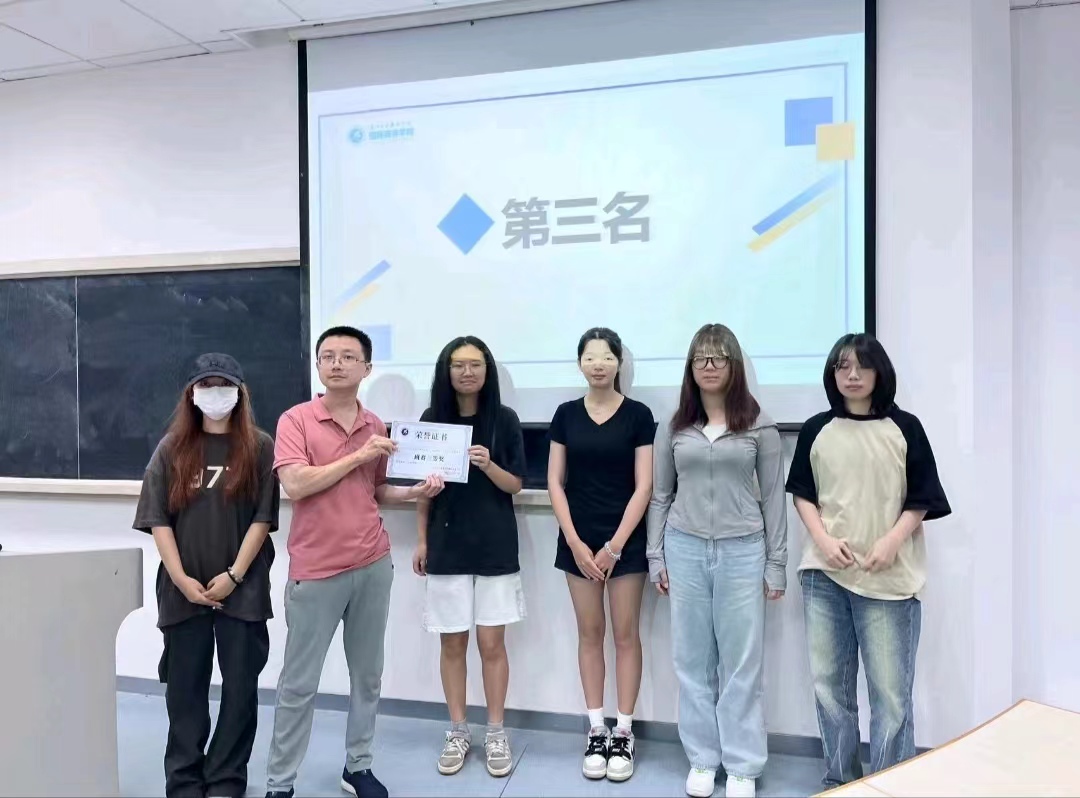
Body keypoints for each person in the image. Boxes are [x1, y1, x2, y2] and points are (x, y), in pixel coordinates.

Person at [264, 326, 444, 798]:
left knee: (367, 676)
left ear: (367, 367)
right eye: (328, 356)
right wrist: (357, 455)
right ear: (318, 366)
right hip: (316, 570)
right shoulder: (296, 420)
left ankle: (358, 766)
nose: (337, 363)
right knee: (299, 684)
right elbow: (296, 484)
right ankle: (280, 782)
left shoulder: (375, 423)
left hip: (371, 564)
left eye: (348, 356)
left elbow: (376, 489)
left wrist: (416, 491)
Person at [785, 333, 950, 789]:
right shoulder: (817, 429)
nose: (852, 375)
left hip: (889, 581)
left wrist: (893, 541)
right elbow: (803, 494)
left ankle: (889, 786)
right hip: (825, 577)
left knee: (891, 699)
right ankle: (840, 783)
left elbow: (921, 498)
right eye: (842, 366)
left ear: (880, 372)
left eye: (862, 366)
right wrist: (821, 539)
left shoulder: (905, 428)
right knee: (829, 690)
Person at [646, 324, 788, 798]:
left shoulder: (759, 425)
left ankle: (743, 765)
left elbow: (774, 499)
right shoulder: (674, 427)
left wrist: (776, 563)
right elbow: (660, 496)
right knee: (691, 661)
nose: (709, 366)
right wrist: (655, 555)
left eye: (718, 358)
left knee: (742, 663)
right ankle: (703, 759)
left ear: (733, 366)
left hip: (743, 550)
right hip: (684, 548)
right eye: (700, 359)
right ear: (690, 368)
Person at [133, 352, 280, 798]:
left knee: (240, 689)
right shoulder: (171, 448)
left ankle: (226, 779)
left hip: (243, 587)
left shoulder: (260, 446)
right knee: (185, 690)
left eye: (224, 386)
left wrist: (234, 575)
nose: (216, 394)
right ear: (192, 394)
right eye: (206, 386)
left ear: (239, 393)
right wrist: (180, 579)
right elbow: (158, 520)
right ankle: (184, 779)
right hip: (184, 588)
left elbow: (262, 518)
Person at [411, 336, 526, 779]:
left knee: (492, 645)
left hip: (495, 544)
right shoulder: (432, 420)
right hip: (446, 544)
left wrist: (488, 464)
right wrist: (421, 541)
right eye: (458, 364)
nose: (467, 372)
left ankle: (495, 731)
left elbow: (516, 484)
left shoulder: (504, 419)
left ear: (487, 370)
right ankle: (458, 730)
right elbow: (423, 491)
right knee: (452, 643)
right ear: (446, 371)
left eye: (475, 364)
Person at [547, 327, 655, 782]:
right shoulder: (565, 414)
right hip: (577, 539)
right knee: (590, 634)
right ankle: (596, 728)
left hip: (624, 540)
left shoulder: (639, 415)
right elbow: (554, 482)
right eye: (590, 357)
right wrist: (575, 542)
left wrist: (614, 546)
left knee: (626, 635)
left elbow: (644, 486)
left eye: (607, 357)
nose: (598, 364)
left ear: (618, 363)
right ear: (580, 363)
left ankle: (624, 732)